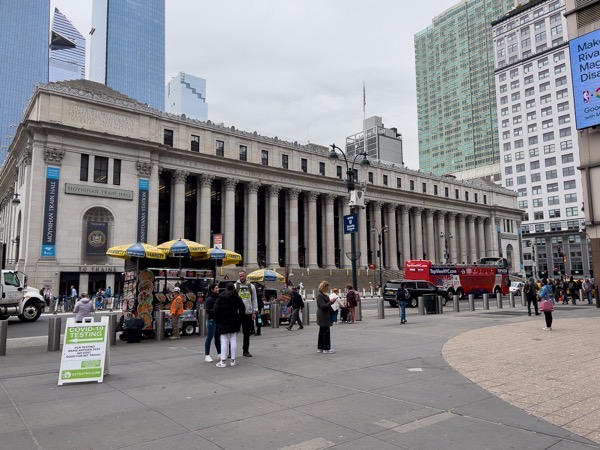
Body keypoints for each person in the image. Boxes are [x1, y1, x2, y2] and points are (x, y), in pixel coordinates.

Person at [213, 283, 245, 367]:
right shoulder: (236, 297)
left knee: (223, 340)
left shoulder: (220, 297)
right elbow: (242, 309)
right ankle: (233, 360)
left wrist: (218, 320)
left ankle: (222, 361)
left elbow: (215, 311)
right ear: (233, 288)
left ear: (226, 288)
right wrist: (240, 319)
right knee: (233, 339)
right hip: (234, 320)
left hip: (222, 320)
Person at [234, 270, 258, 357]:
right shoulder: (235, 286)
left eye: (242, 276)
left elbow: (254, 299)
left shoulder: (251, 287)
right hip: (237, 313)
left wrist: (254, 312)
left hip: (248, 313)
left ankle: (246, 350)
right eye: (240, 276)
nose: (241, 278)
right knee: (233, 333)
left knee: (246, 333)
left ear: (246, 276)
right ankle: (230, 351)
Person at [316, 281, 336, 354]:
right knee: (326, 331)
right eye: (326, 287)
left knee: (322, 331)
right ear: (323, 287)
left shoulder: (322, 295)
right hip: (323, 315)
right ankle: (326, 348)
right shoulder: (320, 295)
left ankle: (320, 347)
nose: (328, 288)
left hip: (323, 314)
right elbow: (323, 306)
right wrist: (331, 302)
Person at [204, 283, 221, 362]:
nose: (218, 289)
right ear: (212, 289)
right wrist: (216, 311)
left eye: (218, 288)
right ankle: (207, 355)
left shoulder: (218, 297)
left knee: (217, 337)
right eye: (216, 288)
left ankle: (220, 354)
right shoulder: (209, 299)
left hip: (217, 320)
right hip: (211, 320)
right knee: (209, 338)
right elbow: (207, 310)